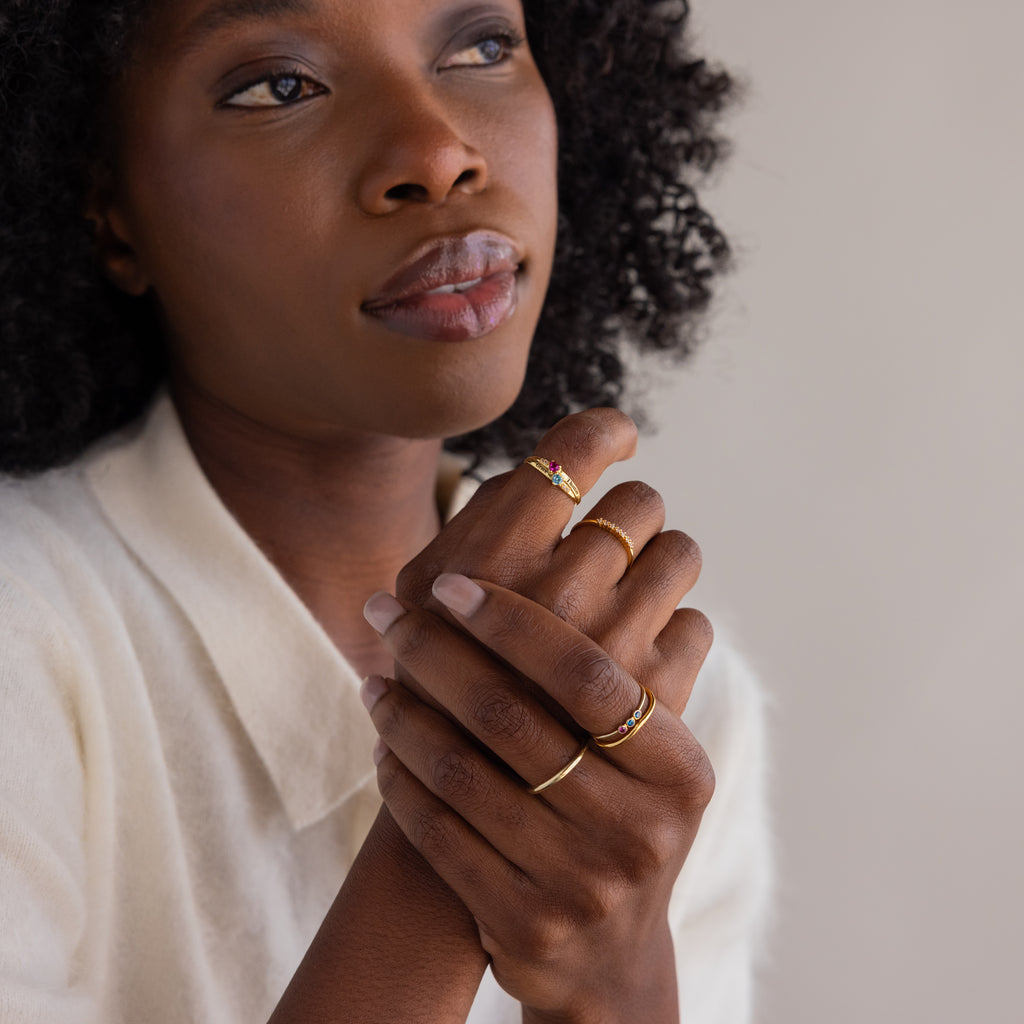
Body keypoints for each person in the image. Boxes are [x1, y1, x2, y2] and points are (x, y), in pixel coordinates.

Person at [0, 1, 770, 1021]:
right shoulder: (27, 644)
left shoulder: (667, 700)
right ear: (106, 207)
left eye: (483, 45)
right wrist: (469, 793)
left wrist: (613, 986)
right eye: (280, 85)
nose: (436, 152)